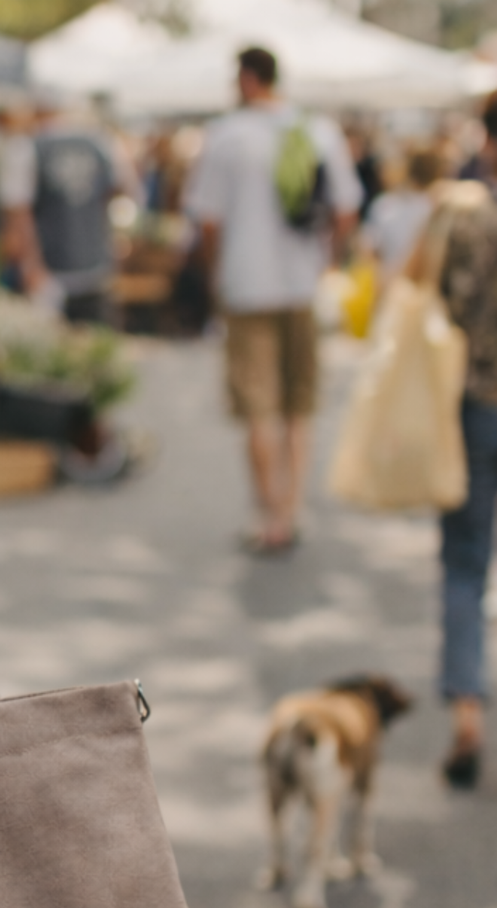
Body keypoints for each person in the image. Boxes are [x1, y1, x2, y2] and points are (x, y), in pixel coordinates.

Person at [185, 46, 362, 554]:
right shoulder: (316, 130)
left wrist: (217, 272)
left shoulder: (226, 136)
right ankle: (292, 506)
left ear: (246, 78)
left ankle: (268, 514)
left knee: (259, 406)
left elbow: (207, 220)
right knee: (297, 404)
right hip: (302, 283)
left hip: (246, 287)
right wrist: (330, 259)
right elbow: (346, 208)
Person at [431, 129, 497, 786]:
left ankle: (467, 709)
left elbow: (447, 301)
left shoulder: (473, 217)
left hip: (478, 399)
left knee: (463, 561)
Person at [0, 91, 131, 323]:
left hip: (49, 273)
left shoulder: (27, 146)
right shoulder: (99, 142)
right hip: (95, 265)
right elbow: (121, 190)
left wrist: (30, 267)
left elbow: (18, 215)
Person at [363, 148, 443, 284]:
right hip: (418, 288)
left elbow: (368, 253)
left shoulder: (382, 205)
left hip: (387, 284)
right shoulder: (435, 208)